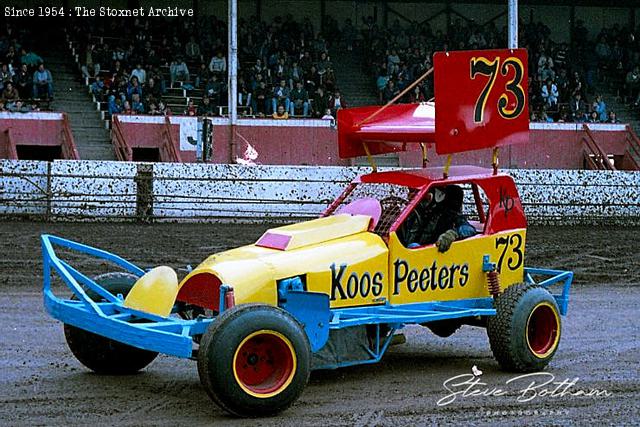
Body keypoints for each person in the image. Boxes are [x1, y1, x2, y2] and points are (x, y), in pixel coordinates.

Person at [400, 185, 476, 252]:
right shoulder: (414, 212)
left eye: (426, 196)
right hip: (405, 252)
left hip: (432, 255)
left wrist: (452, 234)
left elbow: (469, 229)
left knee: (413, 246)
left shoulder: (450, 214)